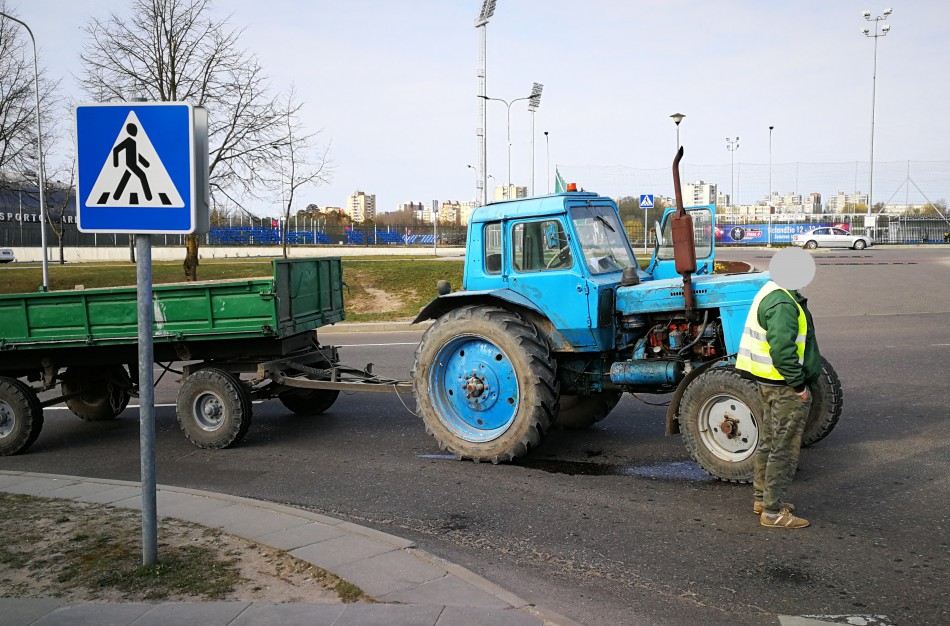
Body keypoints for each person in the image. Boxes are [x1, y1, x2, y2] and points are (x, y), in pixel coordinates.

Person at [736, 248, 823, 529]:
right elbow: (783, 351)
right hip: (784, 386)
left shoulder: (769, 290)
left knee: (770, 442)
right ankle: (772, 513)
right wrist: (799, 386)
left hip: (767, 382)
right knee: (783, 449)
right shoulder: (783, 304)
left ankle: (763, 499)